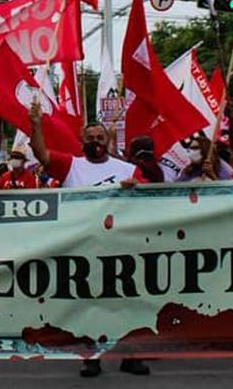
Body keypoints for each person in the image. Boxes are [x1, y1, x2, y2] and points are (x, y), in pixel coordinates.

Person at [27, 102, 145, 378]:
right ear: (81, 141)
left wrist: (136, 187)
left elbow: (146, 201)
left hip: (121, 246)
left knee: (129, 303)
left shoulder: (127, 169)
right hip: (85, 247)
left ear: (108, 141)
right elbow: (41, 154)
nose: (95, 142)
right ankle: (91, 356)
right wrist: (35, 125)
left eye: (99, 138)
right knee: (89, 305)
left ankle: (131, 356)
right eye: (90, 138)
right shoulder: (72, 165)